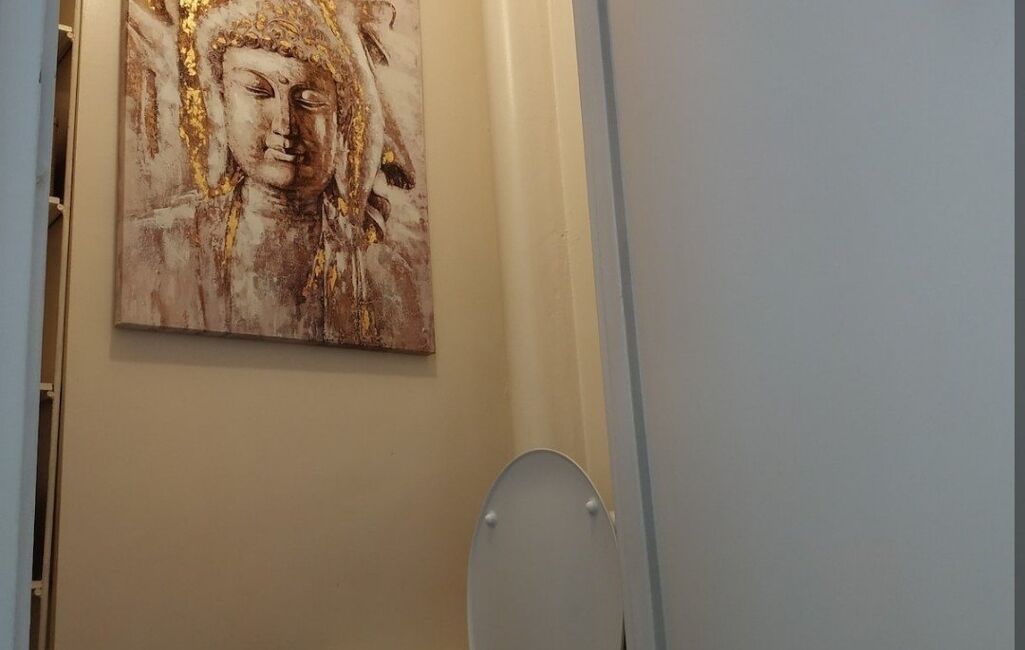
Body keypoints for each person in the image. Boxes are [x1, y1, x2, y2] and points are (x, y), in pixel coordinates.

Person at [118, 0, 433, 353]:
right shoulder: (157, 247)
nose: (285, 125)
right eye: (258, 91)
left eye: (309, 100)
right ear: (221, 99)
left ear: (342, 120)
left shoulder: (383, 275)